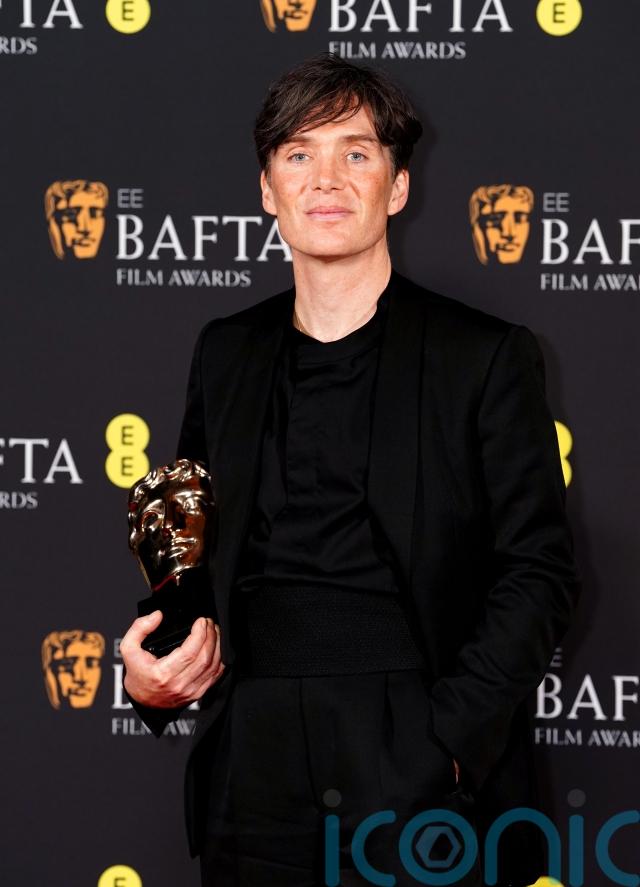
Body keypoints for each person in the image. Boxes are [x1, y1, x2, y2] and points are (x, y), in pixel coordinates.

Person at [120, 53, 581, 887]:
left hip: (412, 743)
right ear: (268, 189)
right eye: (298, 153)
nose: (325, 178)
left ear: (397, 187)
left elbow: (537, 569)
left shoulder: (482, 356)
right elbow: (192, 551)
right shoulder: (225, 352)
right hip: (252, 753)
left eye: (356, 152)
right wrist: (158, 667)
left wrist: (448, 741)